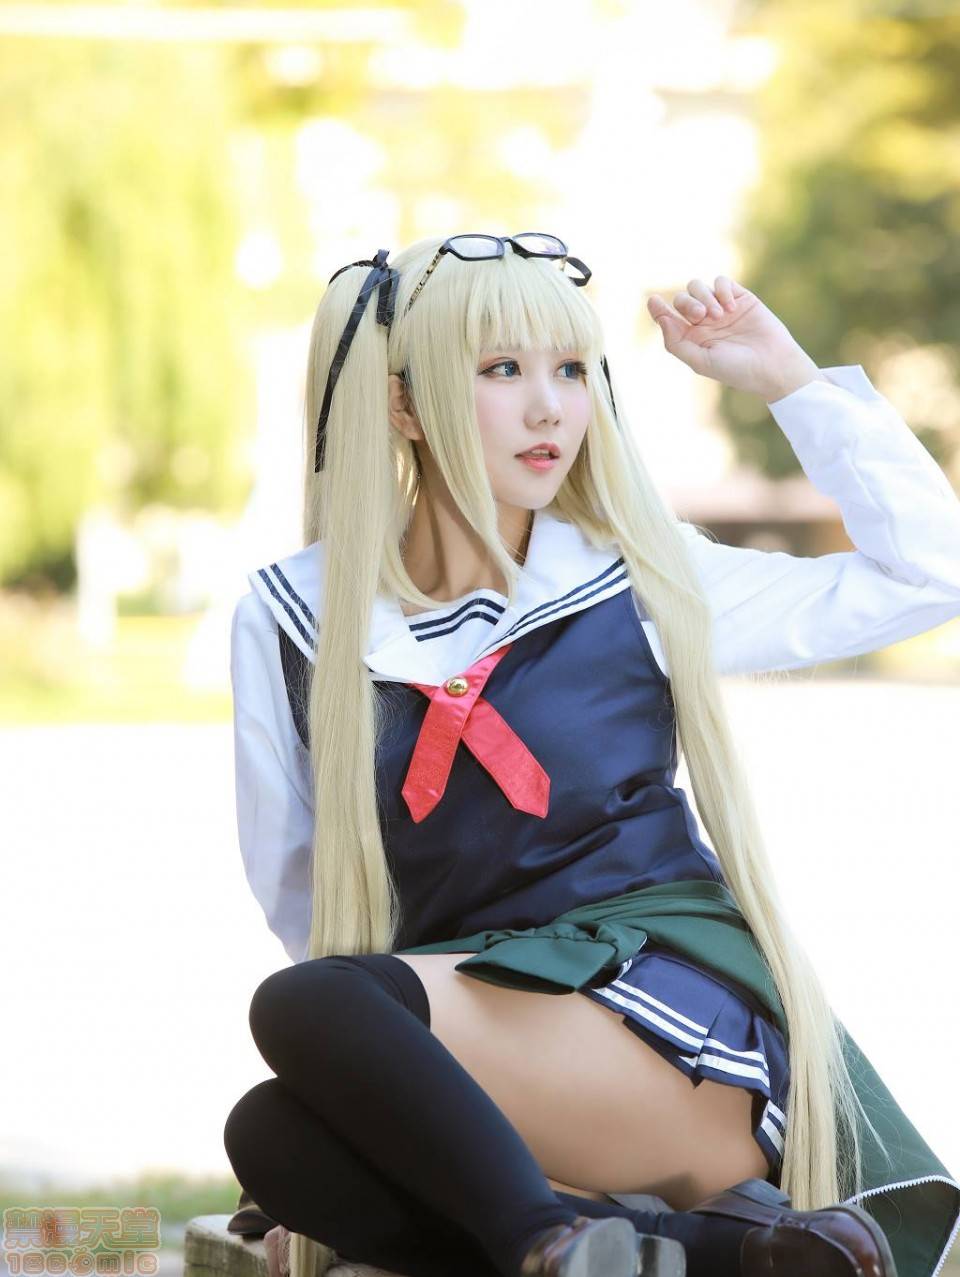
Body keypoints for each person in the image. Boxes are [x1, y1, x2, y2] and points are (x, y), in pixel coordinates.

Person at [222, 234, 960, 1277]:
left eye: (571, 369)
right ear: (403, 405)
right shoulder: (295, 615)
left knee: (306, 1005)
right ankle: (727, 1251)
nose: (550, 409)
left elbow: (932, 570)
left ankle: (546, 1240)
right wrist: (371, 1079)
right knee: (273, 1133)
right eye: (503, 369)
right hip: (489, 1043)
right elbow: (297, 883)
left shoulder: (639, 574)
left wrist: (789, 379)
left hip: (672, 1027)